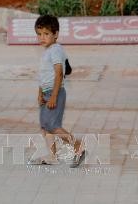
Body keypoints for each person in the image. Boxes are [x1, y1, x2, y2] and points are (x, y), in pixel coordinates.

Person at [31, 14, 84, 166]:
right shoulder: (47, 52)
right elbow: (44, 76)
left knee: (54, 127)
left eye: (46, 34)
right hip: (47, 93)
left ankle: (78, 146)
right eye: (39, 34)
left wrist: (53, 96)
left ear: (56, 34)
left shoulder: (55, 49)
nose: (42, 37)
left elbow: (59, 73)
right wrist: (40, 94)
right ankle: (52, 157)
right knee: (45, 127)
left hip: (55, 92)